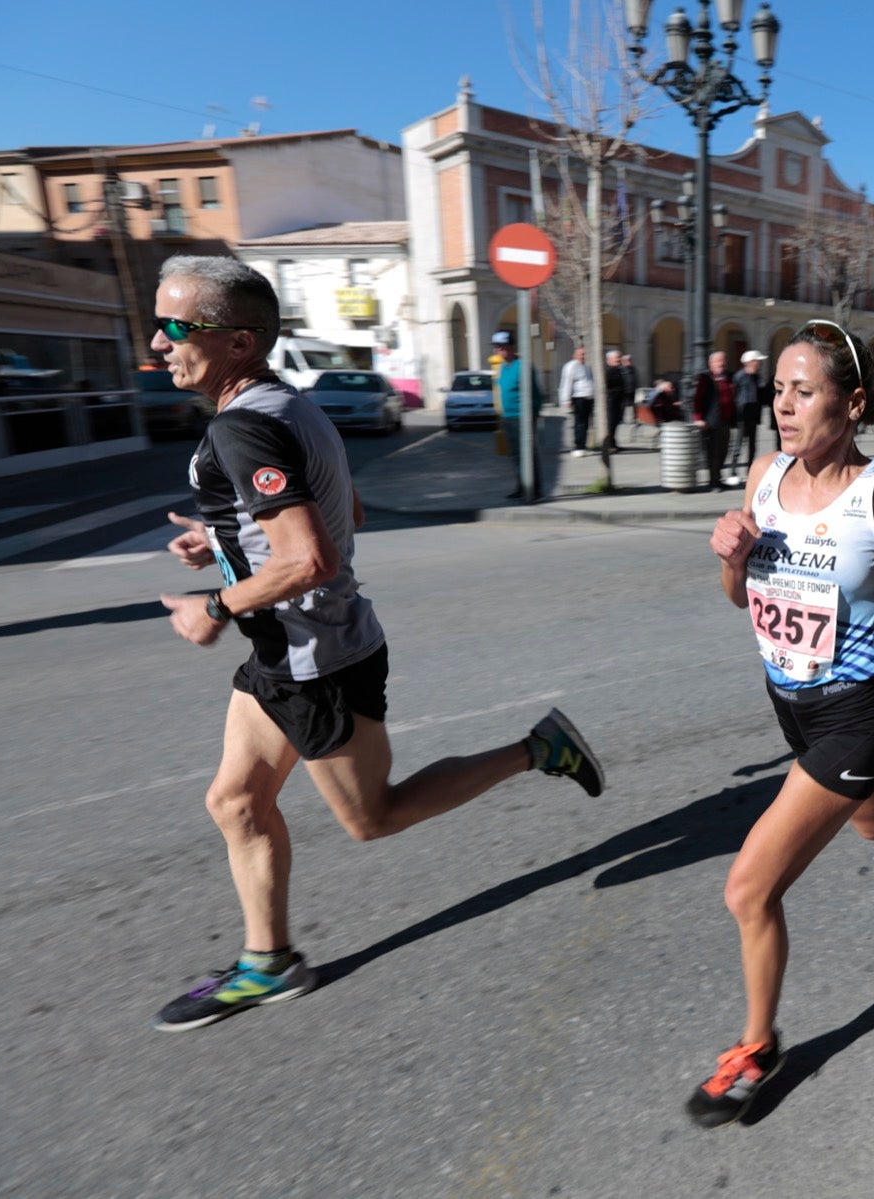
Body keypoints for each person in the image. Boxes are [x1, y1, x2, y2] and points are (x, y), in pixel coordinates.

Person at [148, 255, 604, 1032]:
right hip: (282, 654)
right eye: (159, 322)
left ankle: (539, 748)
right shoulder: (289, 404)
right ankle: (270, 962)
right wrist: (222, 538)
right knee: (234, 801)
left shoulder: (243, 425)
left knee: (374, 817)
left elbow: (309, 557)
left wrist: (217, 603)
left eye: (177, 325)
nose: (159, 341)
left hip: (315, 660)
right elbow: (346, 507)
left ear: (239, 340)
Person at [697, 319, 874, 1127]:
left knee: (749, 889)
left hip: (858, 714)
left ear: (852, 402)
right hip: (789, 703)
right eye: (779, 390)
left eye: (805, 391)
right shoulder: (764, 475)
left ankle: (758, 1049)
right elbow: (741, 598)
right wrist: (731, 556)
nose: (783, 406)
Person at [493, 331, 542, 500]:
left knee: (528, 453)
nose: (499, 351)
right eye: (497, 348)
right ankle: (521, 485)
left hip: (523, 417)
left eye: (502, 347)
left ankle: (534, 488)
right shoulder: (502, 368)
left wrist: (535, 413)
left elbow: (535, 393)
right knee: (514, 455)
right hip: (508, 417)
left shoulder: (523, 366)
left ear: (511, 347)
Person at [692, 349, 737, 491]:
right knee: (713, 453)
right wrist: (698, 418)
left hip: (726, 420)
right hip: (711, 422)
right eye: (718, 361)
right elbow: (697, 399)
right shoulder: (705, 378)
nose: (722, 363)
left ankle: (718, 479)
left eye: (723, 361)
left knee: (724, 452)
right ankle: (713, 482)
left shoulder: (728, 377)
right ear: (711, 363)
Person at [727, 349, 769, 484]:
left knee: (752, 445)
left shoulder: (757, 377)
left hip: (754, 414)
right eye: (758, 361)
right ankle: (733, 471)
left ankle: (750, 470)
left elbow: (761, 395)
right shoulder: (739, 376)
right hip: (742, 415)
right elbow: (733, 396)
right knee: (738, 444)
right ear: (750, 362)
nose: (760, 364)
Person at [560, 345, 597, 457]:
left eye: (584, 354)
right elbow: (566, 383)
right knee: (579, 423)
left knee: (586, 423)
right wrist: (566, 399)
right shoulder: (571, 366)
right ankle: (578, 447)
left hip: (588, 398)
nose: (583, 356)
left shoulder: (586, 366)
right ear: (575, 355)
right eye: (581, 354)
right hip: (578, 398)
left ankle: (583, 446)